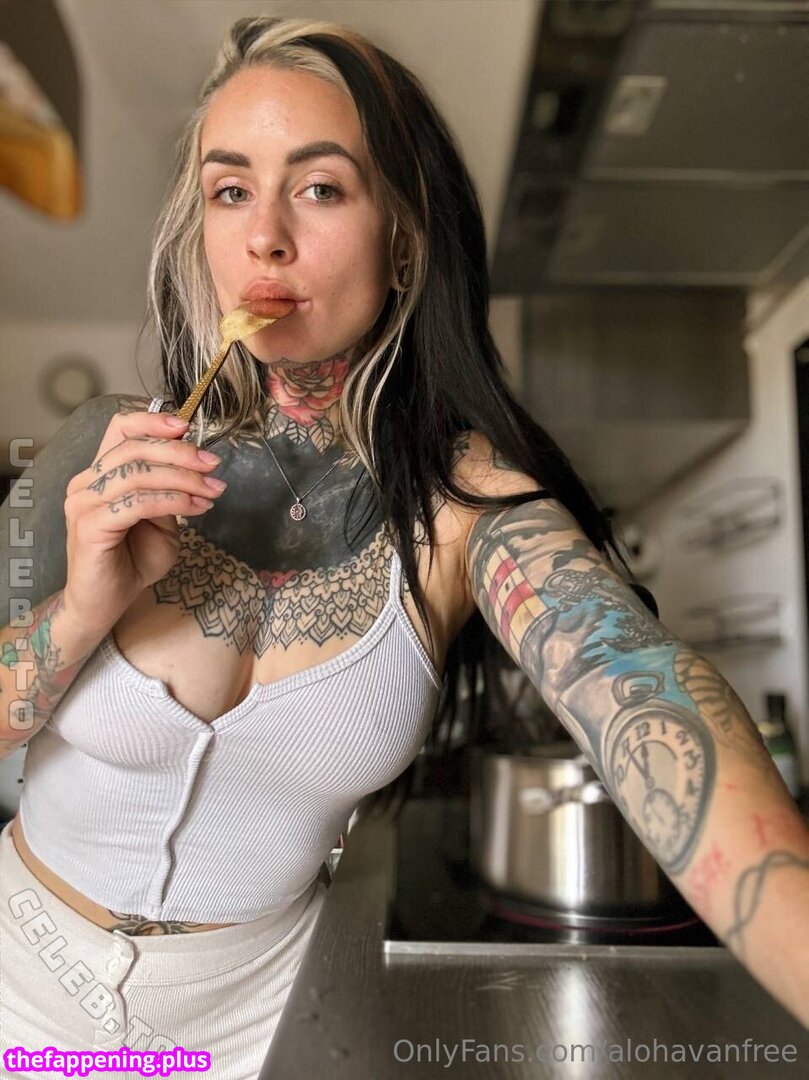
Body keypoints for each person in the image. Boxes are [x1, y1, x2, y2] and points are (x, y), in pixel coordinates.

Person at [0, 13, 807, 1075]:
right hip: (17, 986)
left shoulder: (469, 506)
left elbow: (635, 681)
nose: (265, 236)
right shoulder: (104, 452)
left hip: (268, 1029)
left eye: (320, 187)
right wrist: (83, 609)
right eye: (230, 190)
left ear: (404, 238)